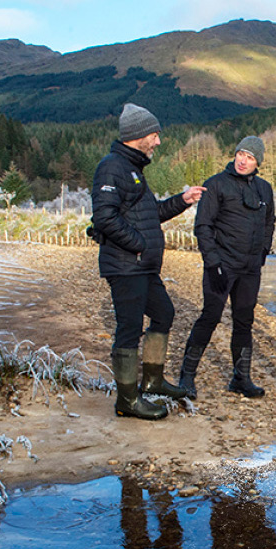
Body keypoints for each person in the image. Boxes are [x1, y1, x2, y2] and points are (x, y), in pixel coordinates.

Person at [90, 103, 206, 420]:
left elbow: (150, 214)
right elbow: (103, 217)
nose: (157, 142)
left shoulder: (132, 170)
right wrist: (139, 245)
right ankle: (127, 400)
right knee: (129, 329)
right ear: (139, 135)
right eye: (154, 135)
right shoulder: (112, 167)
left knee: (164, 313)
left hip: (142, 266)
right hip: (126, 266)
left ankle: (153, 381)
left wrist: (182, 201)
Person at [177, 136, 276, 399]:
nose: (243, 160)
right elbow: (203, 227)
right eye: (240, 154)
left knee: (244, 321)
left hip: (250, 268)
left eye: (250, 157)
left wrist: (263, 253)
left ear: (258, 162)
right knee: (210, 316)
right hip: (221, 267)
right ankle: (186, 377)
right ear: (234, 155)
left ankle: (240, 379)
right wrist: (213, 263)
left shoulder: (264, 189)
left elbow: (270, 222)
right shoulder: (216, 185)